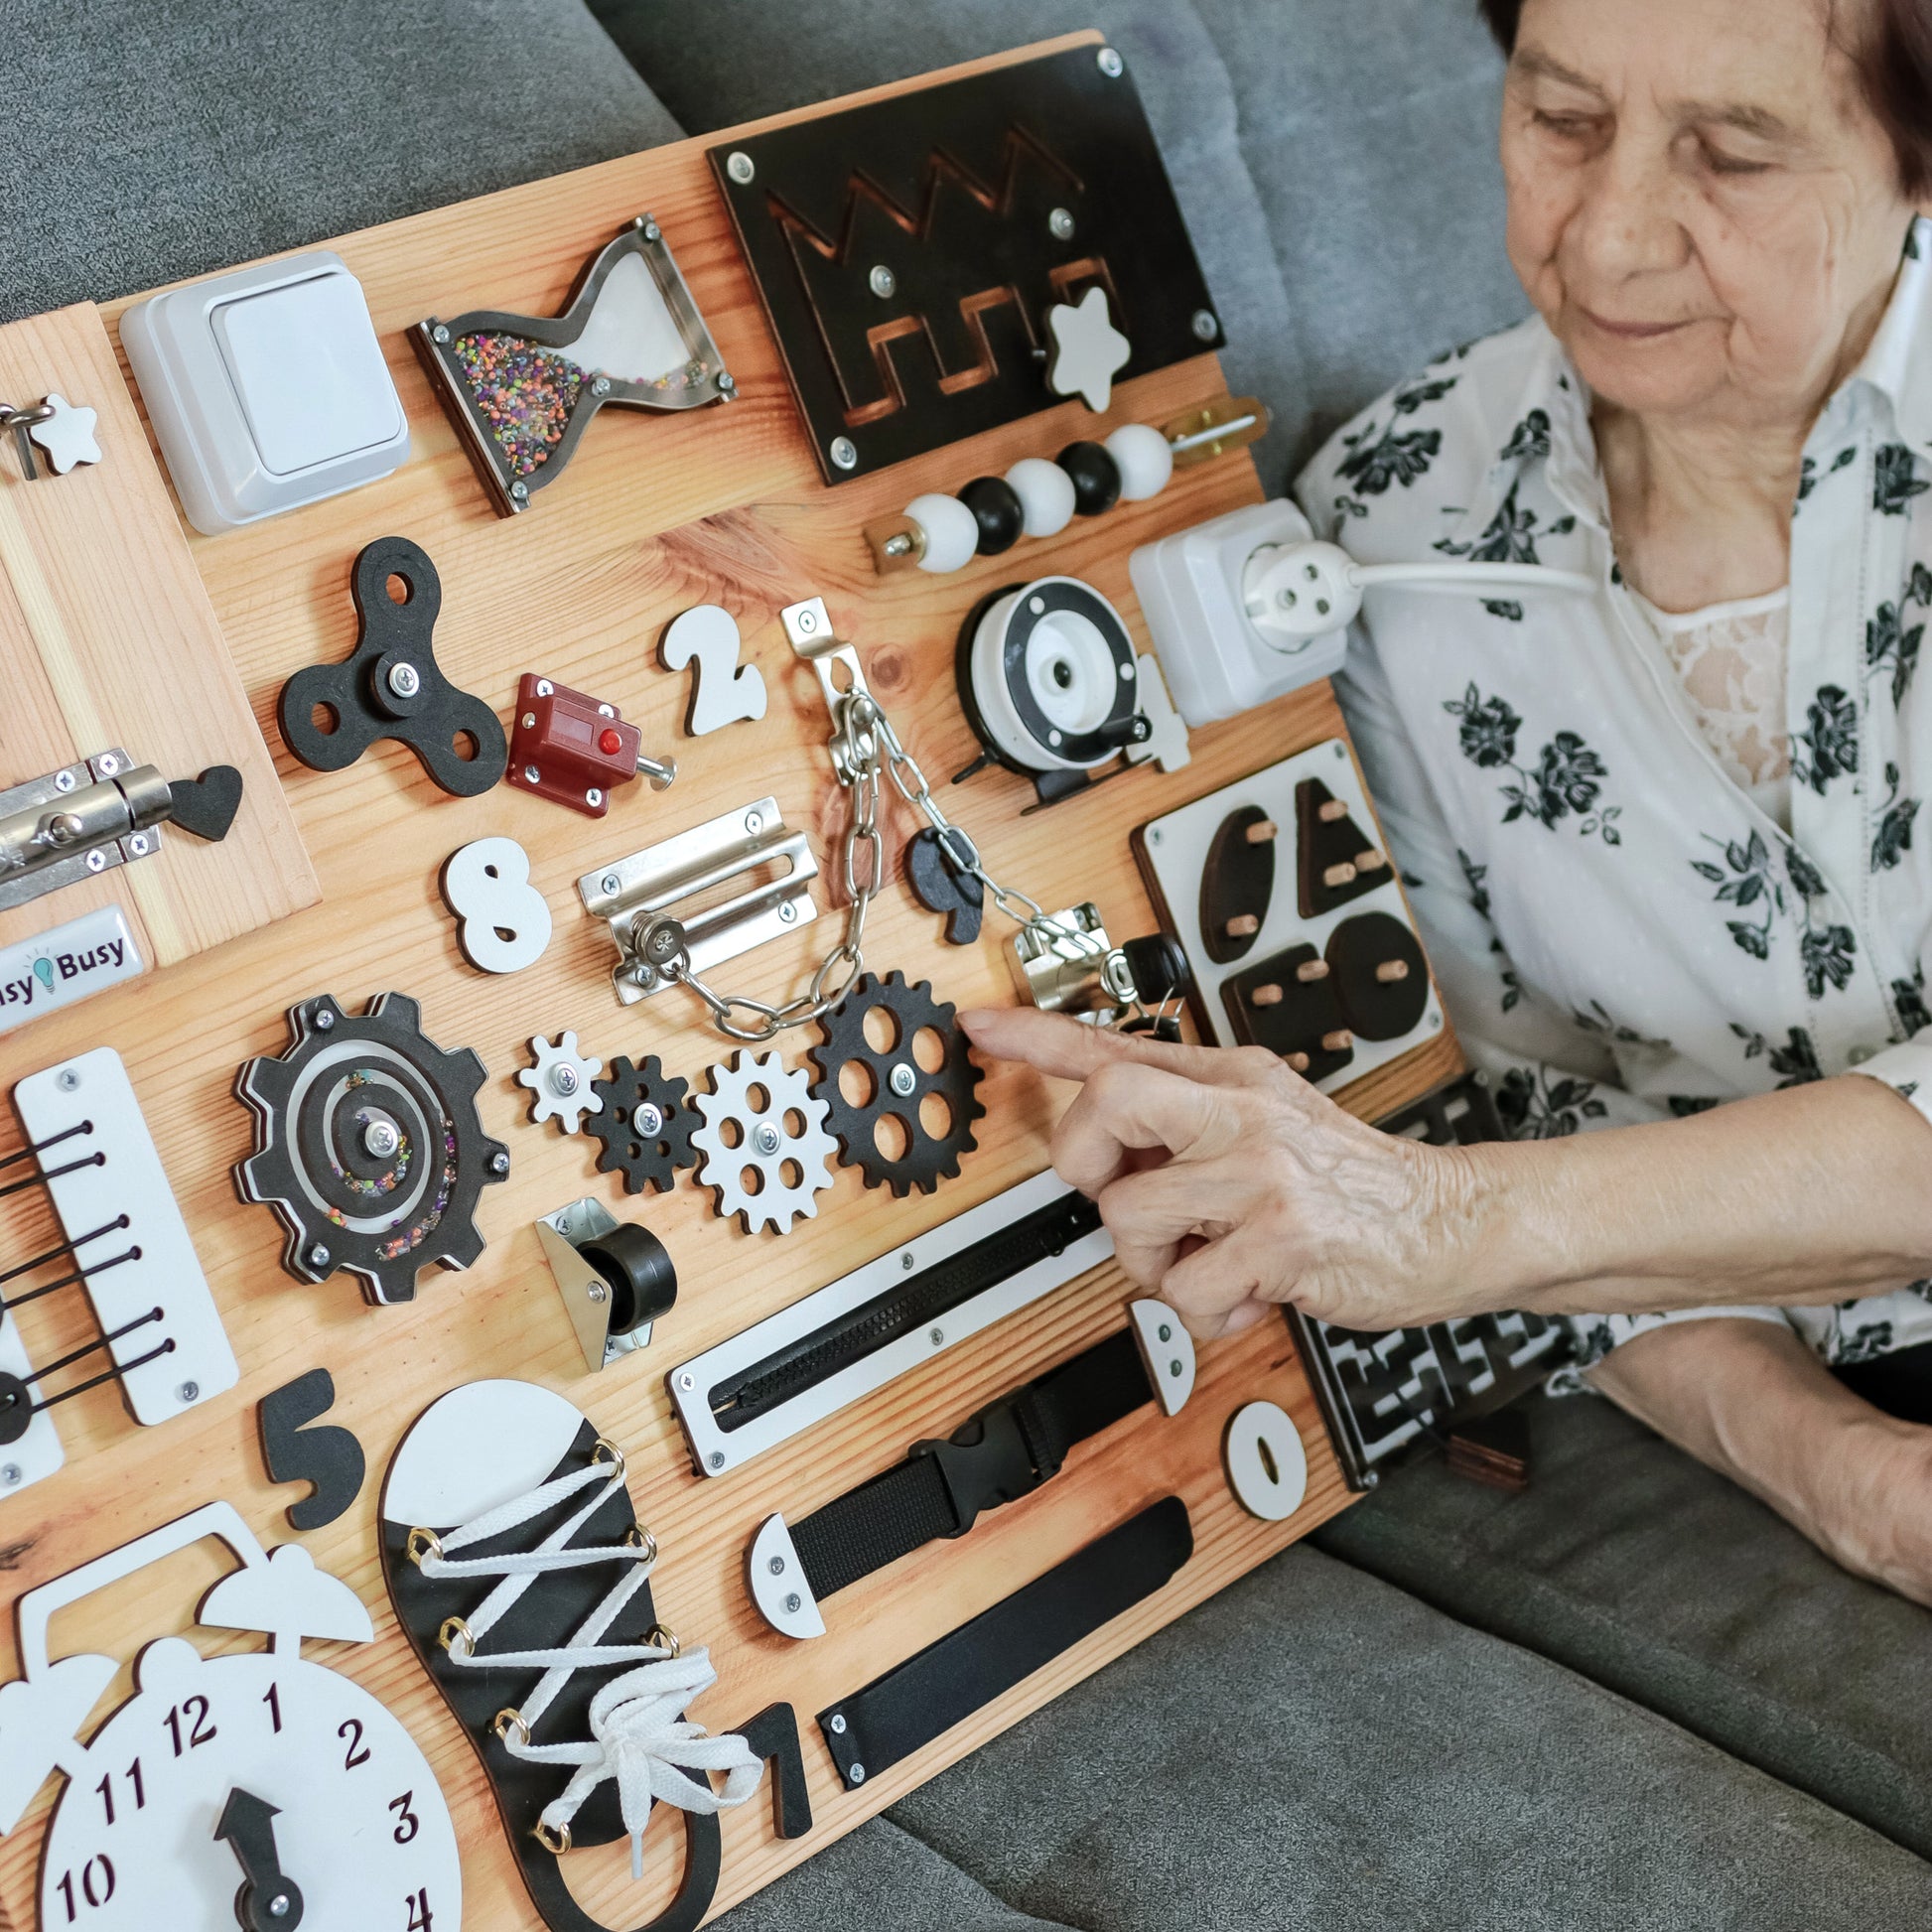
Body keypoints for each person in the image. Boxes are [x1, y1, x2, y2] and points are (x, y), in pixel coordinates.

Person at [962, 0, 1932, 1605]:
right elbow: (1543, 1110)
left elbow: (1494, 1201)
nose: (1607, 242)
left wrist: (1431, 1219)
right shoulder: (1384, 523)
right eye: (1558, 121)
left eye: (1731, 152)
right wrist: (1838, 1473)